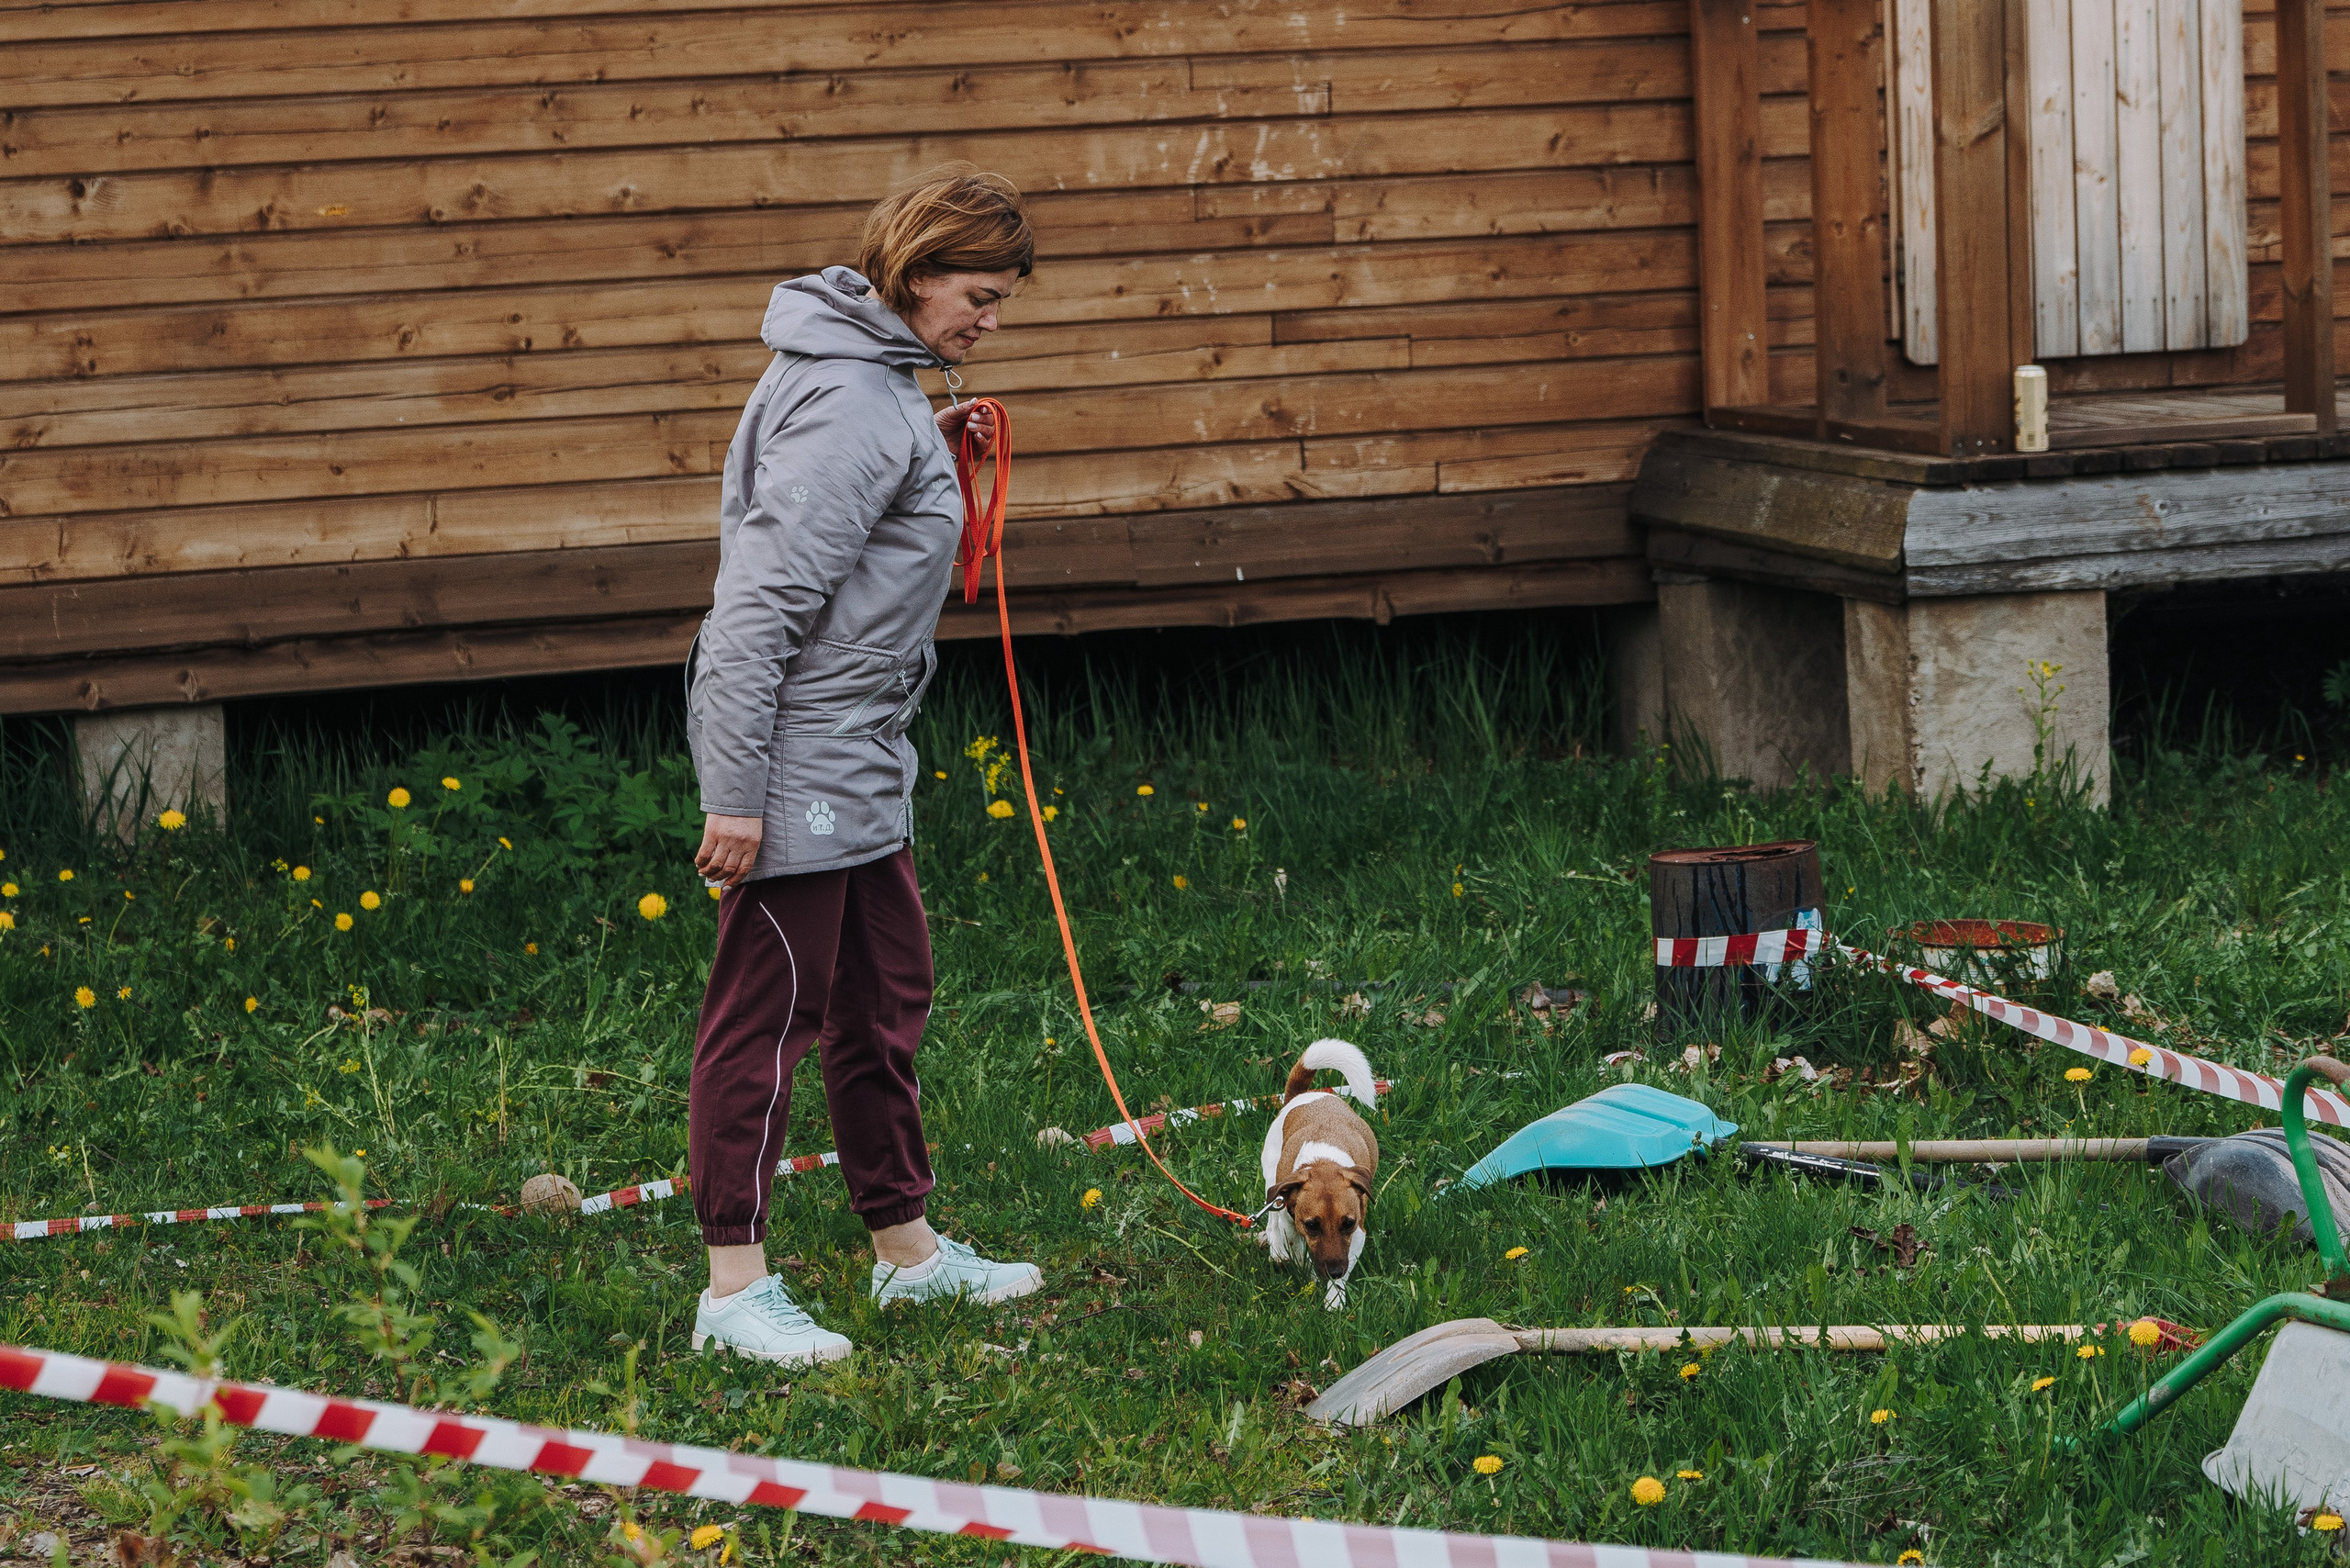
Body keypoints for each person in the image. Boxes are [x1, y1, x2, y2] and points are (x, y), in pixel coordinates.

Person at [683, 166, 1039, 1365]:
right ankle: (734, 1289)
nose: (990, 321)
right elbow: (757, 609)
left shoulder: (875, 391)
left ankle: (908, 1255)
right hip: (801, 766)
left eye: (1001, 301)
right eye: (979, 295)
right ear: (917, 269)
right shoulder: (849, 401)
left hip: (858, 758)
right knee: (767, 1017)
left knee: (883, 1000)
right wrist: (736, 795)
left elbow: (857, 512)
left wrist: (921, 452)